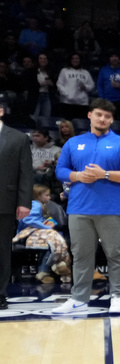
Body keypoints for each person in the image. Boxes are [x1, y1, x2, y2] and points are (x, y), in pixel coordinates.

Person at [52, 98, 120, 315]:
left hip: (114, 208)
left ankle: (118, 296)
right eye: (99, 114)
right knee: (81, 255)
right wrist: (77, 175)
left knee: (116, 254)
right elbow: (60, 170)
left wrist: (105, 174)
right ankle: (79, 299)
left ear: (112, 120)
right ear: (90, 115)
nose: (103, 119)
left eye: (107, 116)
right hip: (79, 208)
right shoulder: (73, 143)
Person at [0, 100, 32, 310]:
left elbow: (26, 173)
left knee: (2, 250)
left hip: (5, 201)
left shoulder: (19, 138)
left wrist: (24, 202)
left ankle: (0, 293)